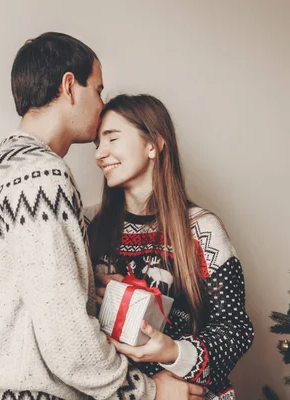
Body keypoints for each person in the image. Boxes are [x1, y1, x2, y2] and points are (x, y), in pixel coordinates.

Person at [0, 32, 206, 400]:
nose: (100, 104)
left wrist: (90, 288)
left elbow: (28, 297)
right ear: (69, 86)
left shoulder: (2, 172)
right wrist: (148, 392)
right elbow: (66, 334)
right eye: (97, 89)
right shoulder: (43, 177)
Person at [88, 94, 254, 400]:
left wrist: (174, 352)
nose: (100, 153)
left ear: (153, 144)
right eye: (97, 143)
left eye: (112, 138)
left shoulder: (201, 229)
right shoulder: (88, 226)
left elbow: (235, 328)